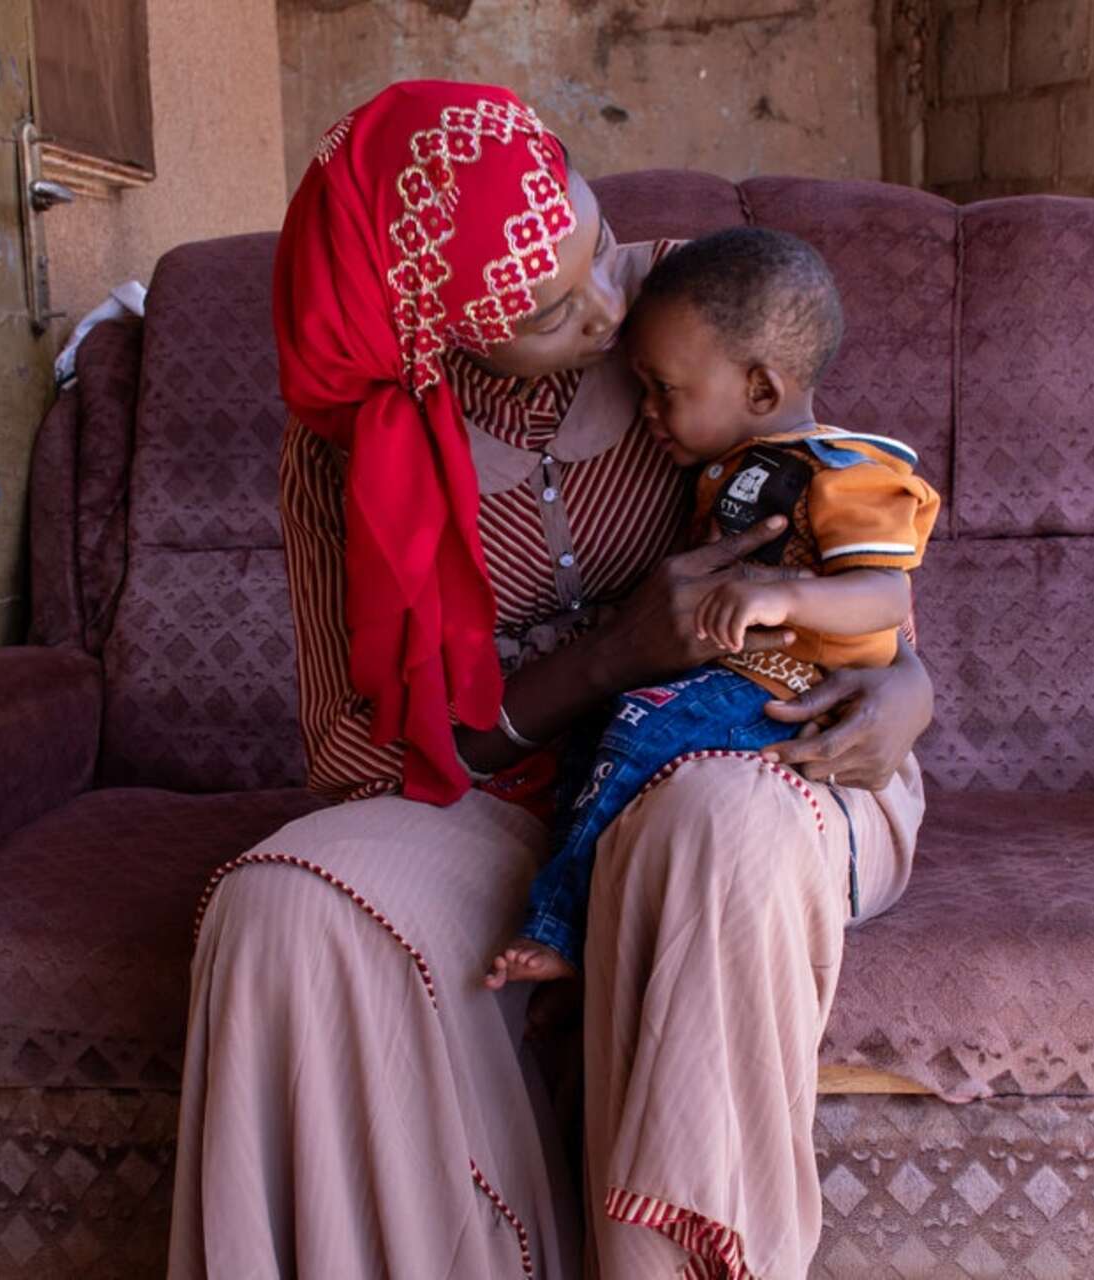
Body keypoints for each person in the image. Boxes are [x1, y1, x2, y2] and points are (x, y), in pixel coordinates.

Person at [168, 79, 932, 1279]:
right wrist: (607, 659)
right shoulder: (344, 451)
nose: (605, 304)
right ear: (435, 328)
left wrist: (909, 683)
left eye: (592, 244)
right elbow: (352, 750)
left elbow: (842, 518)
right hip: (503, 789)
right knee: (280, 913)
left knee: (714, 826)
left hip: (738, 748)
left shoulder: (681, 299)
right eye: (547, 307)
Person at [486, 227, 940, 987]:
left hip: (789, 687)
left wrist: (784, 593)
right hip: (736, 674)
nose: (651, 411)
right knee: (598, 739)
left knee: (640, 732)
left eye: (666, 390)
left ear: (761, 392)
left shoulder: (846, 471)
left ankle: (564, 928)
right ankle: (570, 907)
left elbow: (887, 596)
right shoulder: (733, 465)